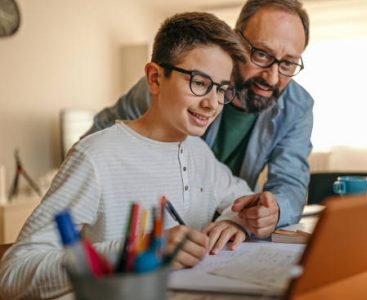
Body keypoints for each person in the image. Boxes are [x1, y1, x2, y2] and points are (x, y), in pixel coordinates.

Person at [0, 12, 254, 299]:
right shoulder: (95, 157)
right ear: (155, 78)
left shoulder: (198, 151)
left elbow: (242, 197)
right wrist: (136, 251)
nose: (212, 103)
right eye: (199, 82)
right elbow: (13, 275)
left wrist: (235, 220)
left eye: (222, 89)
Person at [86, 0, 314, 237]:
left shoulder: (298, 107)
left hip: (225, 231)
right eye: (261, 54)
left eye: (288, 63)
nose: (273, 77)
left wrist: (267, 212)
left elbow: (290, 183)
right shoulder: (170, 82)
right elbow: (101, 139)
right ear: (237, 40)